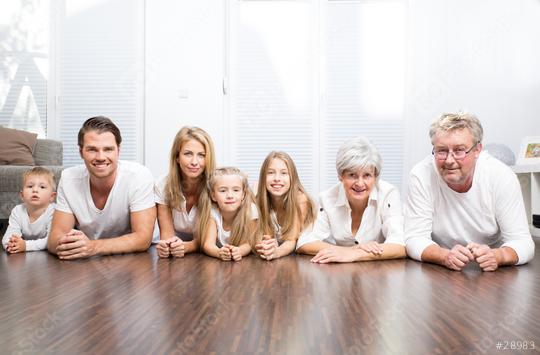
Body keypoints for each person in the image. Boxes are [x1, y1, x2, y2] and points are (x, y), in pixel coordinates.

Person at [404, 112, 535, 271]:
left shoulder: (501, 176)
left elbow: (522, 242)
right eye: (441, 151)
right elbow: (415, 238)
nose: (449, 160)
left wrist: (498, 256)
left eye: (459, 150)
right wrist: (444, 256)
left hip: (491, 270)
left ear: (477, 150)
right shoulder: (421, 175)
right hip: (442, 267)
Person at [47, 116, 156, 259]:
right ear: (81, 152)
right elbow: (54, 238)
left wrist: (92, 247)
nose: (100, 157)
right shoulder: (68, 179)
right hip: (87, 258)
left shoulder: (138, 176)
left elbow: (143, 239)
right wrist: (70, 244)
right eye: (92, 149)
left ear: (118, 150)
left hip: (137, 257)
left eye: (108, 149)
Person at [296, 137, 406, 263]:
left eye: (367, 175)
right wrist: (350, 250)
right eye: (352, 175)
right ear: (340, 175)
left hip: (378, 272)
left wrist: (357, 254)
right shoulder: (327, 198)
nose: (360, 183)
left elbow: (399, 245)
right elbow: (305, 243)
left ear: (375, 176)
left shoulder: (388, 194)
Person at [155, 126, 216, 258]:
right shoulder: (163, 185)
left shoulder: (216, 186)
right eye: (188, 154)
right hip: (177, 253)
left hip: (209, 253)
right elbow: (167, 235)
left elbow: (209, 239)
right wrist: (167, 246)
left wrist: (186, 247)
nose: (194, 162)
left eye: (201, 155)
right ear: (177, 157)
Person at [255, 151, 316, 260]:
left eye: (284, 173)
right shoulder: (260, 200)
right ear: (263, 177)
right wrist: (267, 246)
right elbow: (260, 236)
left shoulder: (300, 199)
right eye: (270, 173)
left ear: (292, 177)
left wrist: (276, 252)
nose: (277, 178)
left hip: (308, 256)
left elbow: (291, 241)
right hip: (287, 257)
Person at [199, 167, 258, 261]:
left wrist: (239, 251)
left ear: (243, 194)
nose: (230, 196)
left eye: (236, 190)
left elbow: (250, 243)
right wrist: (218, 253)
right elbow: (208, 244)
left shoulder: (250, 210)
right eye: (223, 191)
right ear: (213, 196)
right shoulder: (213, 213)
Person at [2, 167, 57, 253]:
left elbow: (52, 240)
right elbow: (9, 235)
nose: (35, 190)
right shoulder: (18, 211)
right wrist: (11, 244)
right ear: (22, 195)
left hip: (47, 255)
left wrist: (26, 246)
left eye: (42, 187)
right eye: (30, 186)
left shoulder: (54, 211)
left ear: (52, 196)